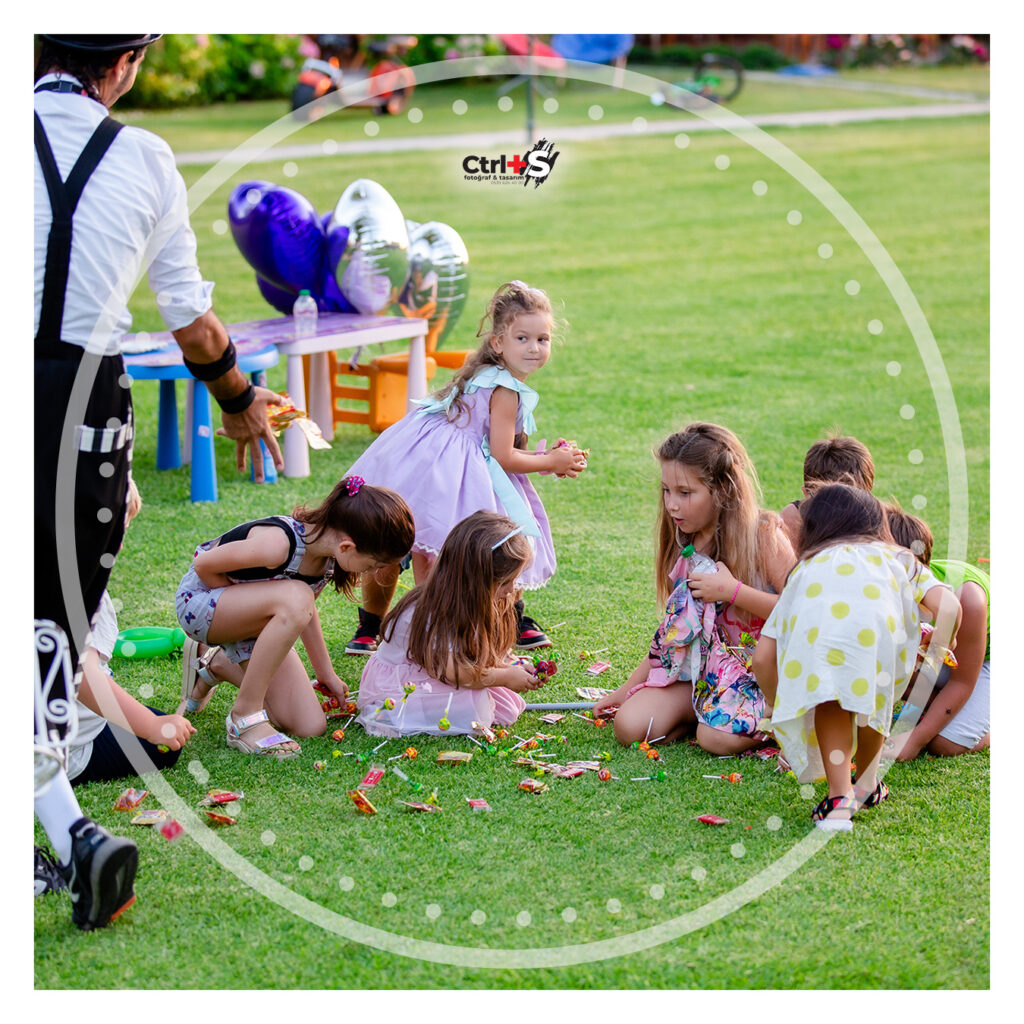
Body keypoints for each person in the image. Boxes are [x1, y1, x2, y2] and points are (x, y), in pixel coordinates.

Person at [33, 34, 284, 930]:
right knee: (48, 628)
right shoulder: (144, 157)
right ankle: (67, 836)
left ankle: (65, 837)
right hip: (87, 405)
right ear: (128, 62)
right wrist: (241, 399)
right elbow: (188, 315)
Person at [342, 280, 587, 656]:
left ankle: (430, 628)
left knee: (430, 546)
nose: (534, 348)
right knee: (486, 539)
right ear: (498, 343)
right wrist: (551, 462)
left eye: (543, 339)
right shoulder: (507, 389)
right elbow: (504, 456)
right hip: (451, 468)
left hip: (423, 457)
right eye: (523, 338)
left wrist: (545, 458)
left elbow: (503, 444)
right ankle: (434, 632)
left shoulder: (490, 374)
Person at [752, 484, 961, 831]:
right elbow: (949, 606)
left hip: (818, 654)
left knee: (830, 704)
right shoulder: (899, 558)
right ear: (878, 527)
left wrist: (776, 703)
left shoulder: (803, 572)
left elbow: (762, 658)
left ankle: (839, 798)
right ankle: (866, 784)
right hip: (879, 647)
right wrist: (942, 644)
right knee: (872, 708)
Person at [594, 423, 796, 755]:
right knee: (629, 726)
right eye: (666, 490)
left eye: (685, 493)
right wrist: (625, 690)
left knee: (714, 739)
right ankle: (704, 714)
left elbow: (801, 612)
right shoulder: (684, 544)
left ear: (723, 490)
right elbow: (675, 632)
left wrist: (732, 592)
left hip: (763, 679)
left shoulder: (764, 535)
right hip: (704, 676)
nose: (672, 504)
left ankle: (745, 721)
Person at [174, 478, 413, 758]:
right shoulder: (277, 544)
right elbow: (204, 565)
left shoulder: (326, 559)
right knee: (297, 595)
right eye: (372, 564)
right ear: (347, 546)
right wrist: (240, 614)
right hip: (202, 605)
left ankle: (216, 663)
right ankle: (244, 715)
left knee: (309, 725)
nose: (371, 572)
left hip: (249, 624)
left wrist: (326, 674)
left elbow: (305, 611)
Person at [356, 511, 545, 736]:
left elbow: (467, 656)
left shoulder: (469, 600)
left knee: (503, 706)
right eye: (505, 581)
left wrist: (510, 669)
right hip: (402, 687)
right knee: (474, 710)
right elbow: (457, 672)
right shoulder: (436, 612)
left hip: (441, 668)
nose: (513, 589)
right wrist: (504, 677)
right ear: (475, 580)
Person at [884, 506, 990, 759]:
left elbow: (962, 681)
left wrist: (913, 739)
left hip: (986, 660)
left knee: (944, 743)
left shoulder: (966, 599)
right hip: (949, 657)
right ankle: (945, 709)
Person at [780, 434, 875, 548]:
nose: (834, 515)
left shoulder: (877, 524)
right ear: (806, 495)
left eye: (846, 502)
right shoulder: (794, 519)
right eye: (825, 503)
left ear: (867, 498)